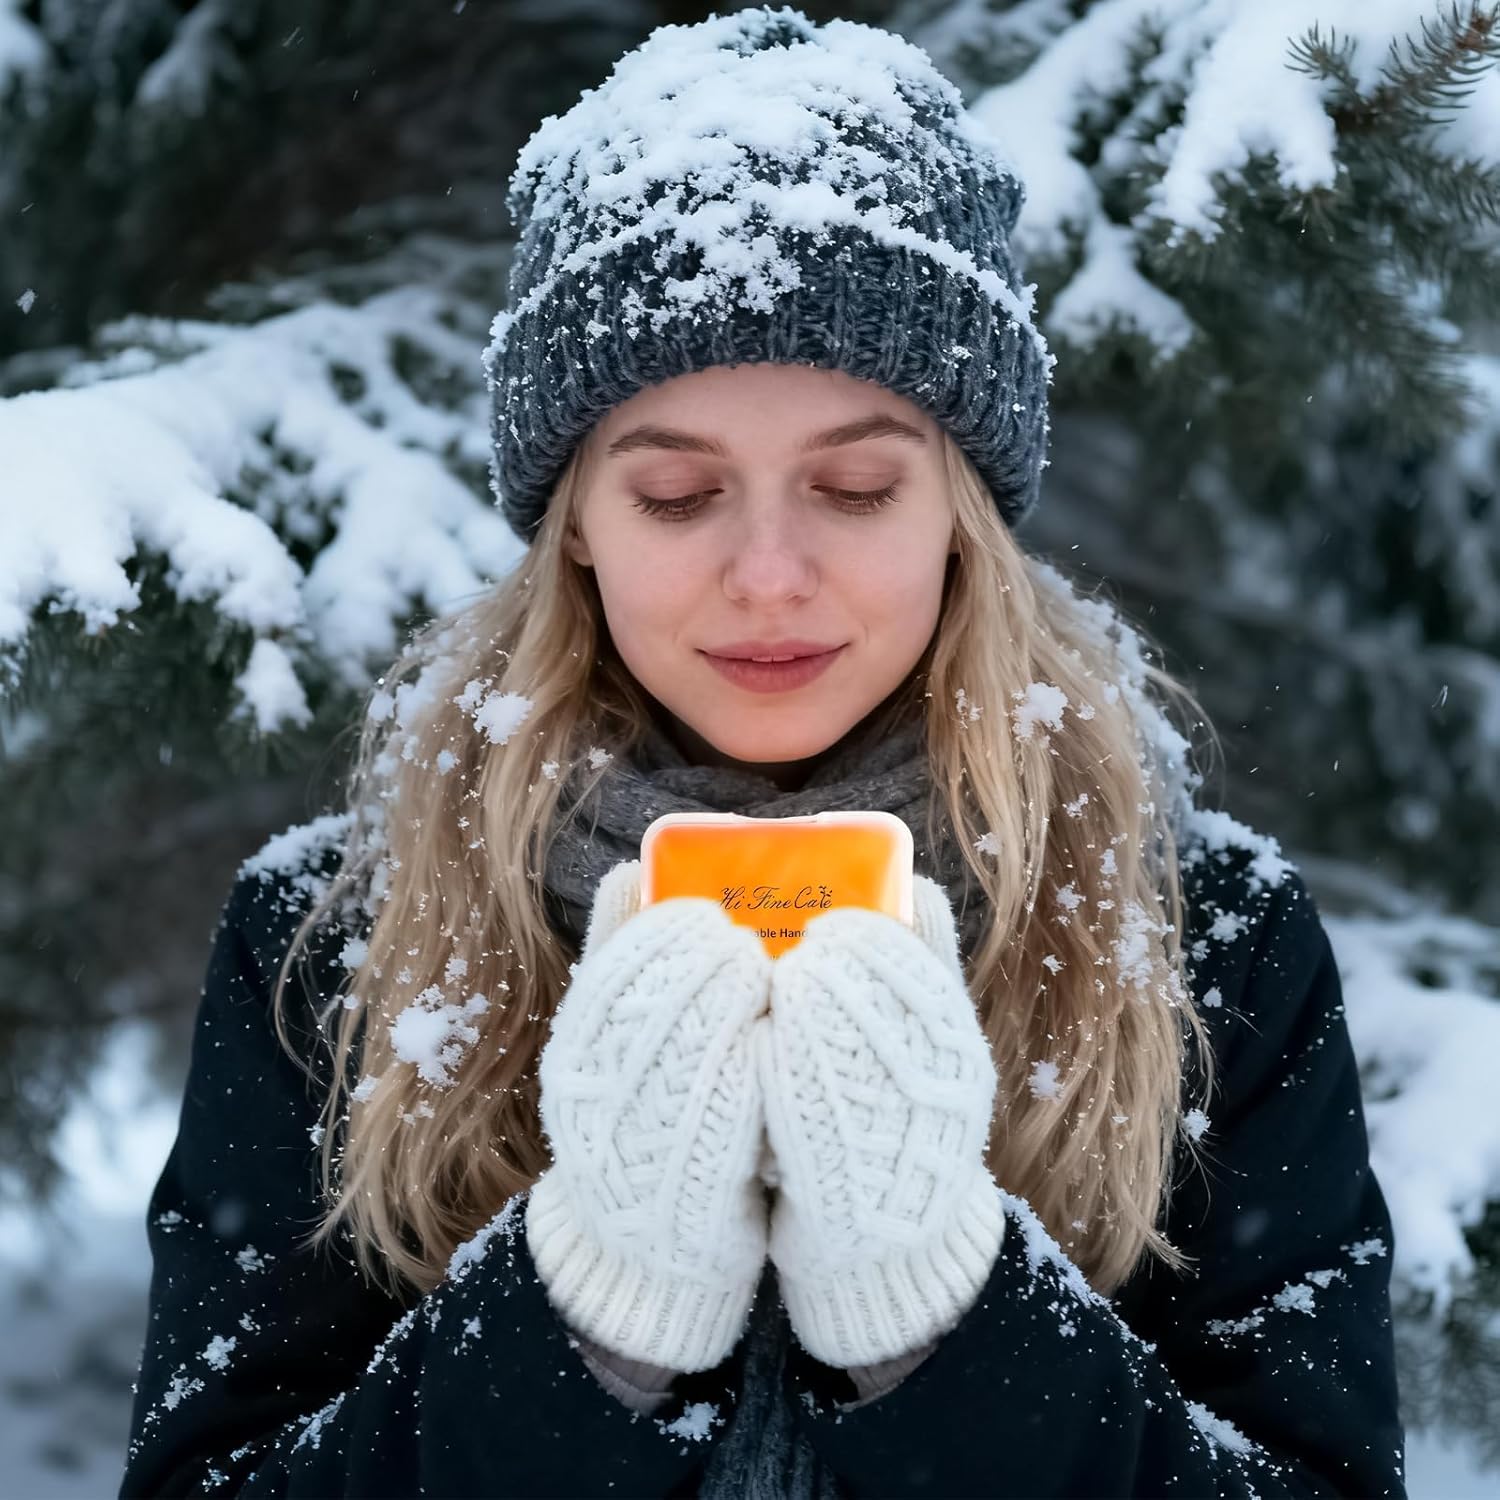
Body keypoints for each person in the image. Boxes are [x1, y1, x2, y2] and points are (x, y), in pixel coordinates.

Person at [119, 7, 1405, 1497]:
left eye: (857, 487)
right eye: (675, 496)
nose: (772, 576)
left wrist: (948, 1313)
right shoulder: (338, 945)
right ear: (578, 530)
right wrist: (585, 1314)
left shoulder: (1202, 941)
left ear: (964, 516)